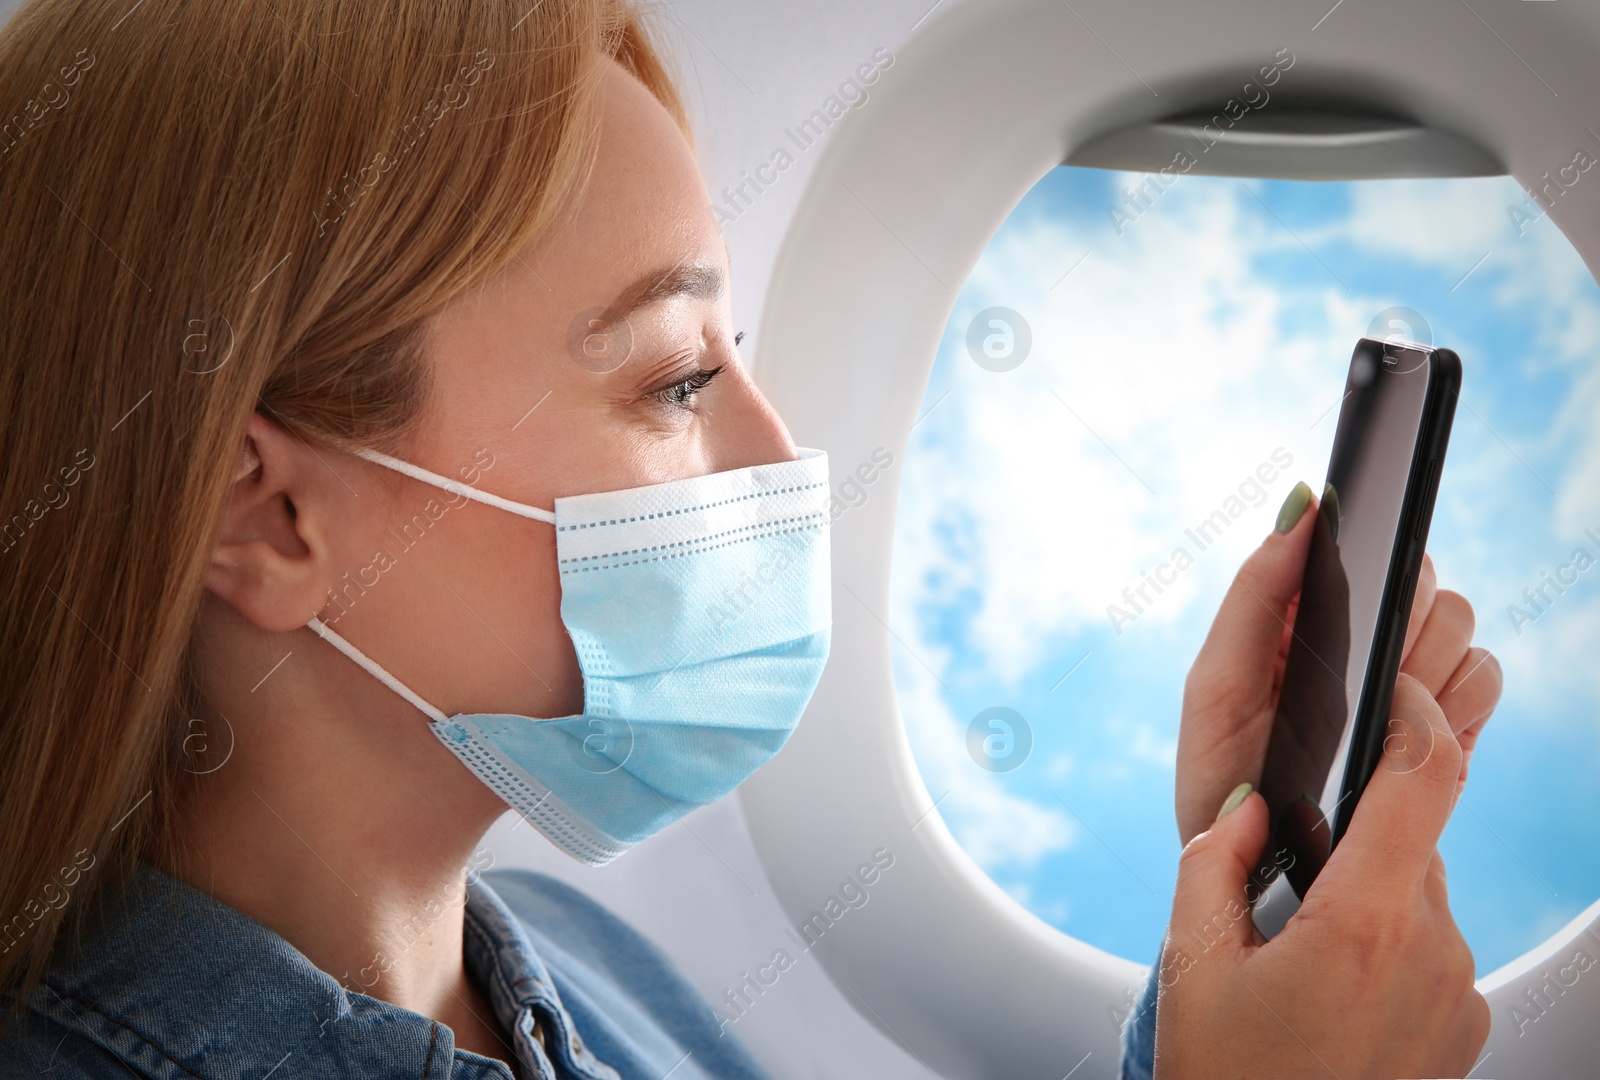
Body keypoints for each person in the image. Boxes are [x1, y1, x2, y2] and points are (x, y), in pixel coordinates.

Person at [0, 2, 1499, 1078]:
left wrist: (1227, 952)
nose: (782, 459)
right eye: (676, 380)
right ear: (268, 518)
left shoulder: (580, 975)